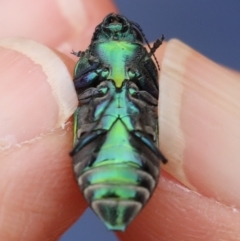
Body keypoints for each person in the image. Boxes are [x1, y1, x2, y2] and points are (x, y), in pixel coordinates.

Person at [0, 0, 239, 240]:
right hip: (124, 151)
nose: (114, 28)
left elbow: (145, 92)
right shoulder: (128, 65)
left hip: (108, 151)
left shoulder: (123, 65)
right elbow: (83, 87)